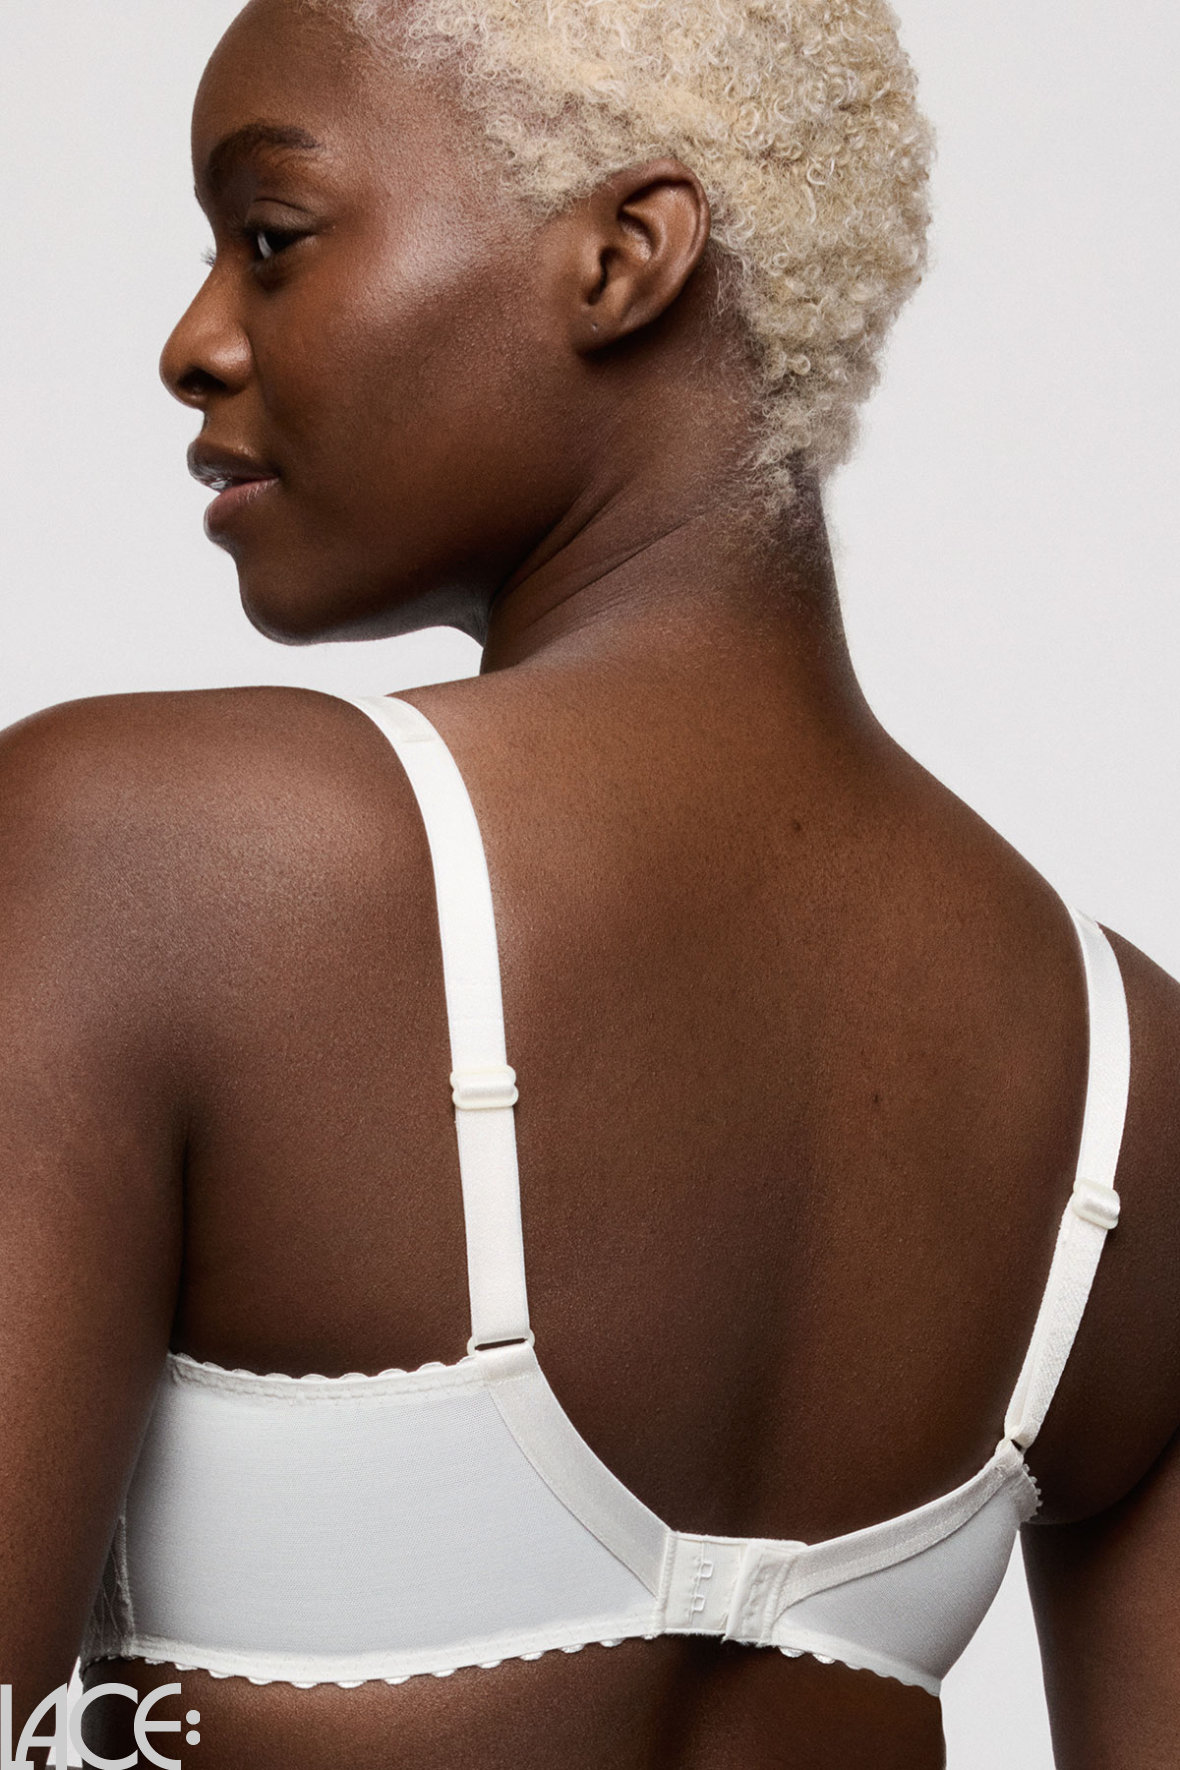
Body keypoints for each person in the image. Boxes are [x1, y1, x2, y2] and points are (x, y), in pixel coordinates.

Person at [1, 0, 1177, 1765]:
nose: (195, 342)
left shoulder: (150, 862)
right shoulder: (1132, 1093)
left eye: (273, 238)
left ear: (622, 257)